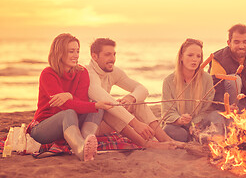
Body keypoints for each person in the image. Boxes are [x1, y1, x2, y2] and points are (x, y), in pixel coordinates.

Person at [27, 33, 112, 161]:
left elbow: (81, 103)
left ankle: (86, 141)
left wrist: (69, 96)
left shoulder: (81, 72)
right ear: (59, 53)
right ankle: (81, 149)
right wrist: (71, 98)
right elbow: (64, 106)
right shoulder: (48, 74)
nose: (76, 55)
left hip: (71, 124)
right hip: (42, 128)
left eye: (77, 51)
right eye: (71, 51)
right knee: (70, 112)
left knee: (97, 107)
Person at [87, 38, 176, 149]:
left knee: (137, 102)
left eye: (114, 54)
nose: (112, 59)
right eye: (107, 55)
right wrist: (136, 124)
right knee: (108, 109)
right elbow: (105, 101)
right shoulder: (89, 74)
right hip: (91, 126)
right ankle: (145, 144)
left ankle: (166, 139)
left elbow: (142, 89)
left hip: (106, 124)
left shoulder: (113, 71)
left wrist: (131, 98)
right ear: (94, 56)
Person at [161, 38, 222, 142]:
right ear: (181, 57)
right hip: (178, 126)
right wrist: (180, 120)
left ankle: (198, 137)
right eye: (190, 55)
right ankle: (193, 138)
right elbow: (167, 111)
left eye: (198, 56)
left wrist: (194, 124)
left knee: (217, 117)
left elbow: (207, 108)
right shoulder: (169, 81)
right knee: (168, 130)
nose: (195, 59)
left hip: (200, 124)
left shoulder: (206, 79)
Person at [208, 24, 246, 119]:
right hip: (224, 104)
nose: (241, 46)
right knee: (235, 79)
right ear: (229, 43)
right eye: (237, 42)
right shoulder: (218, 59)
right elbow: (215, 93)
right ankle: (231, 118)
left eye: (245, 42)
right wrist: (225, 107)